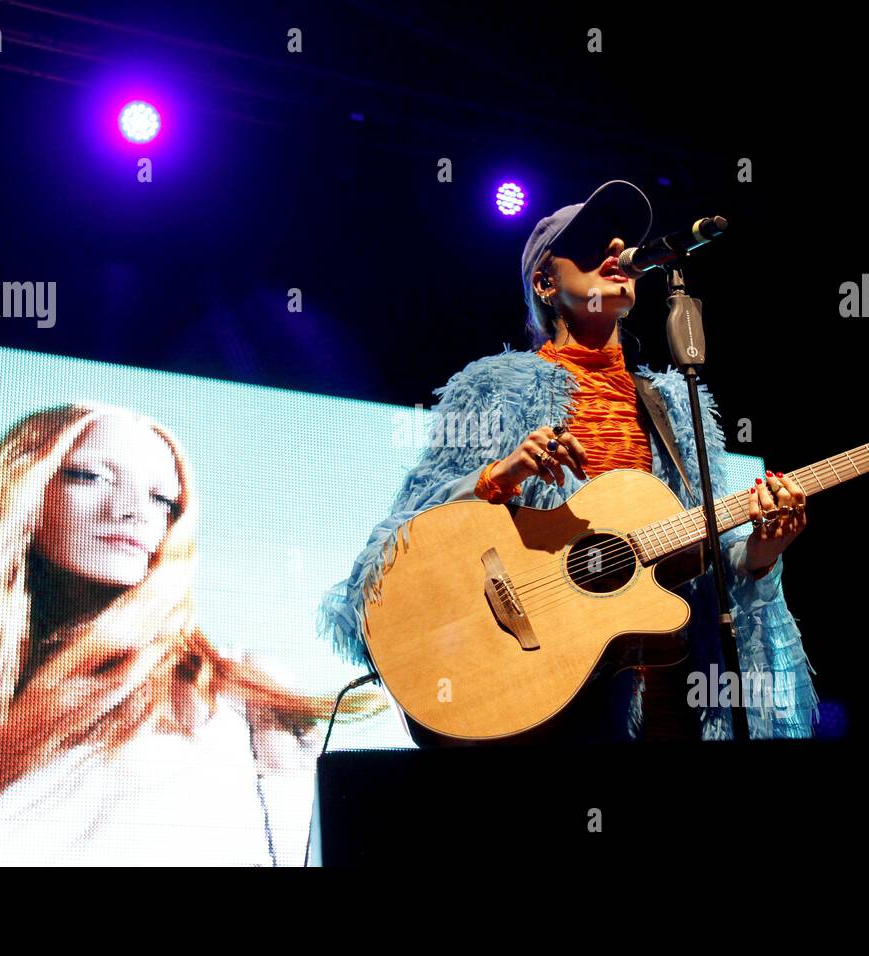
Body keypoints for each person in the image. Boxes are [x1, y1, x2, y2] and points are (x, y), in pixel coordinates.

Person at [319, 180, 820, 745]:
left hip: (668, 696)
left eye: (621, 240)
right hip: (548, 686)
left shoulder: (673, 401)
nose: (615, 248)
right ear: (545, 282)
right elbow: (409, 536)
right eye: (587, 245)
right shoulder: (494, 387)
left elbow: (700, 553)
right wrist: (498, 477)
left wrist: (760, 551)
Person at [0, 403, 382, 865]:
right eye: (91, 476)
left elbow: (306, 854)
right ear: (26, 489)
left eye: (163, 499)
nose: (135, 512)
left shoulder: (234, 691)